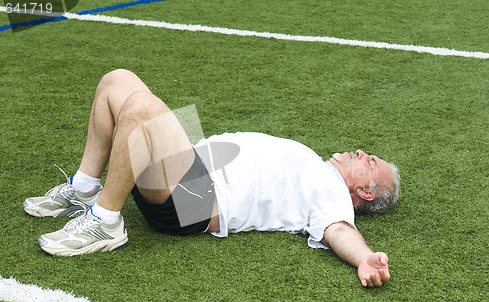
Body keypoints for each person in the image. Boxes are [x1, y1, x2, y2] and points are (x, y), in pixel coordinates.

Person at [24, 69, 400, 288]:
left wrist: (365, 258)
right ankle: (83, 190)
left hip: (198, 198)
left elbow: (340, 230)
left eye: (371, 163)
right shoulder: (316, 165)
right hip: (192, 166)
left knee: (141, 108)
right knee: (116, 80)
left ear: (364, 193)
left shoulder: (332, 193)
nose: (363, 153)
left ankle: (104, 223)